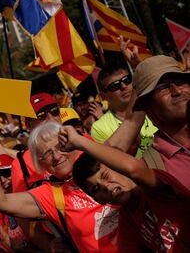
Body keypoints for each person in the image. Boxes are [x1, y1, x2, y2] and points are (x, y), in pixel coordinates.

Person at [0, 121, 120, 253]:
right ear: (41, 164)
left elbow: (131, 124)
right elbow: (2, 202)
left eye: (60, 147)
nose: (56, 156)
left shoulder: (100, 162)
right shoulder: (50, 194)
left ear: (72, 144)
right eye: (47, 153)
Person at [59, 125, 190, 252]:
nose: (107, 186)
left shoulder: (154, 185)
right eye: (96, 188)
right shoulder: (128, 220)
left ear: (118, 168)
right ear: (99, 201)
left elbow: (134, 169)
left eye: (105, 175)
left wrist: (79, 141)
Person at [106, 55, 190, 190]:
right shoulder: (153, 167)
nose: (177, 91)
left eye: (180, 81)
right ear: (149, 110)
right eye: (163, 87)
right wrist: (132, 122)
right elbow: (99, 169)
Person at [91, 66, 157, 158]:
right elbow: (111, 162)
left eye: (127, 80)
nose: (124, 86)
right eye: (115, 86)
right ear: (103, 96)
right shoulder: (98, 128)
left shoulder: (152, 106)